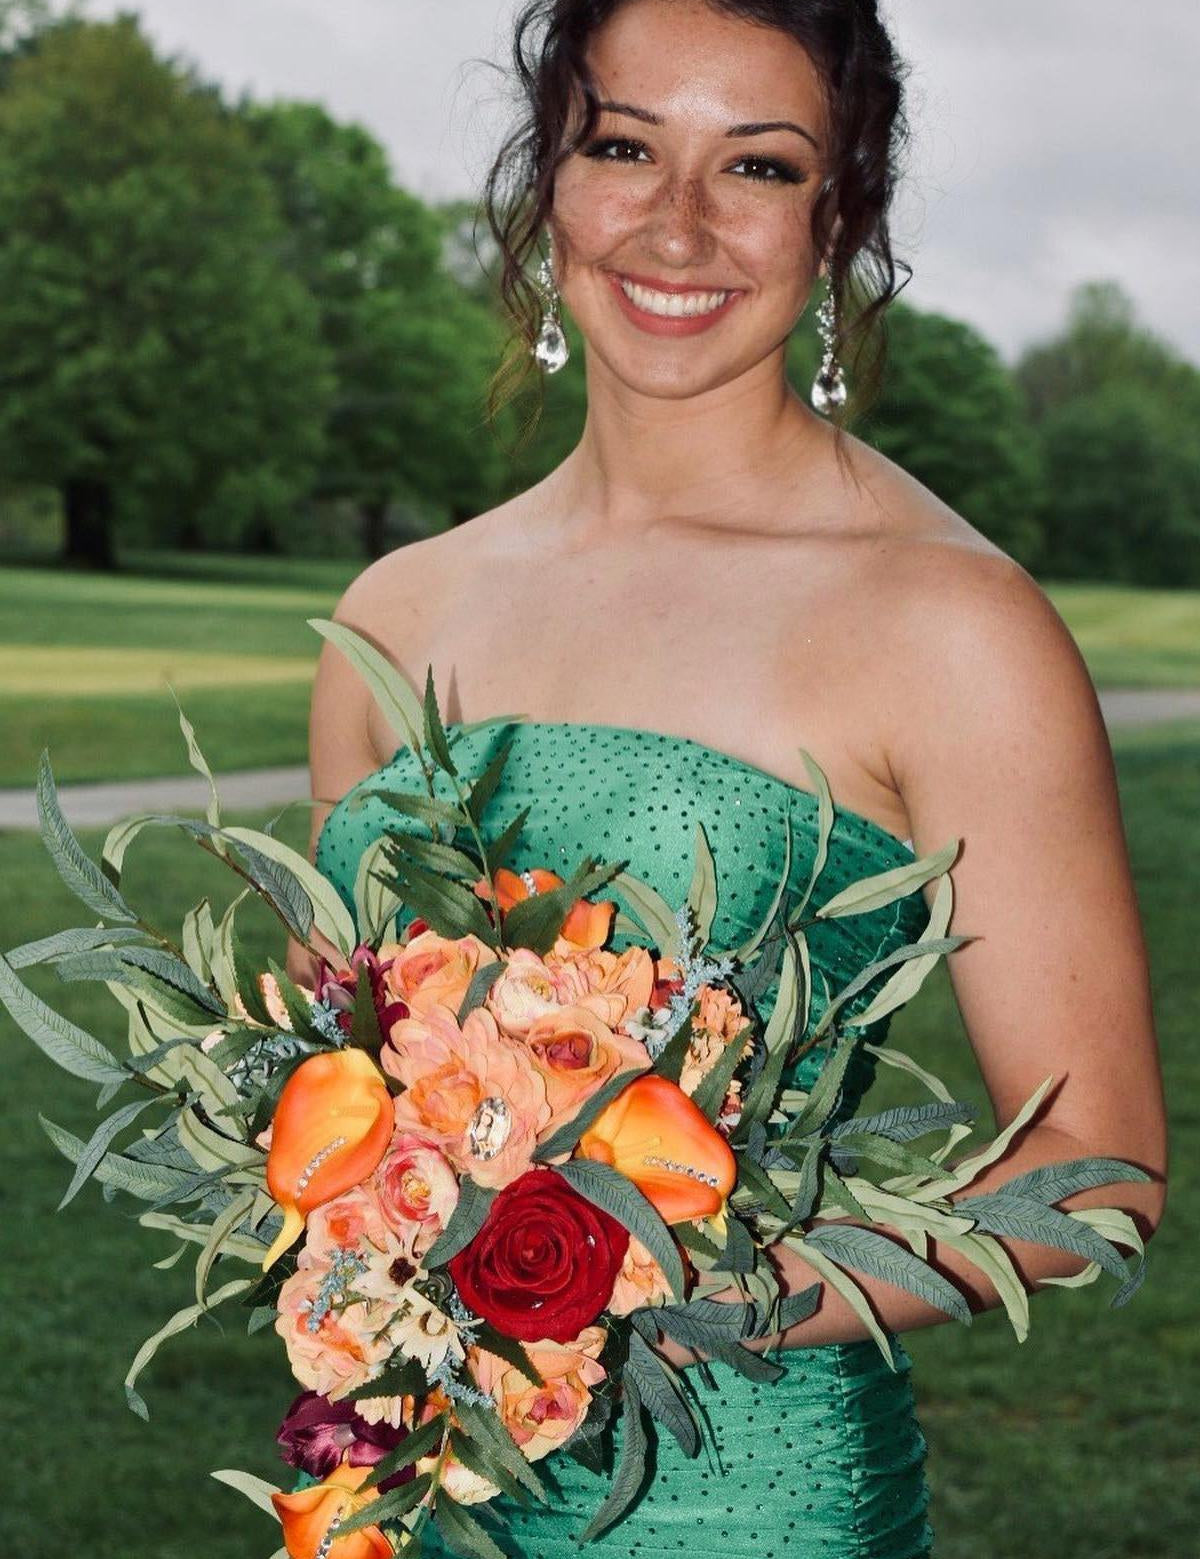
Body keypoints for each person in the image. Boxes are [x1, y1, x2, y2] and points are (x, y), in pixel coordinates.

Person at [287, 2, 1167, 1553]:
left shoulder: (953, 627)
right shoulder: (394, 617)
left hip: (748, 1500)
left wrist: (672, 1288)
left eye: (756, 166)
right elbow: (344, 1088)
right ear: (545, 183)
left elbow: (1095, 1179)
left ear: (841, 220)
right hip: (420, 1486)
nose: (677, 223)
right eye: (623, 145)